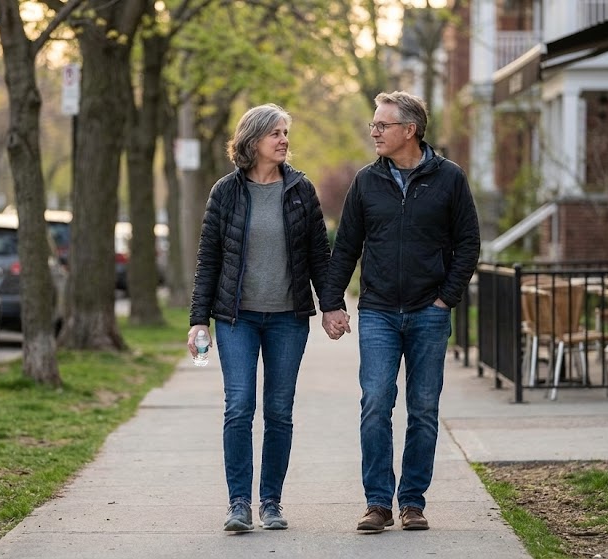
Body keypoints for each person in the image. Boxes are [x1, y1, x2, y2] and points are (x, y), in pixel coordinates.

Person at [320, 91, 480, 533]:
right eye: (373, 124)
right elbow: (346, 246)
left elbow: (468, 243)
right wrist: (332, 303)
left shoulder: (449, 178)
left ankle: (412, 501)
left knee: (423, 408)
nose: (374, 131)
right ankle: (377, 503)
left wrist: (446, 298)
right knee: (375, 402)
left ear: (409, 130)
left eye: (382, 125)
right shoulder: (366, 182)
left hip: (430, 312)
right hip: (378, 312)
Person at [187, 103, 333, 532]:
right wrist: (198, 320)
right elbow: (209, 259)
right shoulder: (225, 192)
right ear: (252, 141)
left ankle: (271, 502)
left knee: (279, 411)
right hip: (237, 320)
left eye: (286, 133)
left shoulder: (301, 190)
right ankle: (238, 504)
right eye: (276, 133)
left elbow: (319, 255)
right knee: (238, 407)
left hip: (288, 319)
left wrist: (332, 306)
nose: (284, 140)